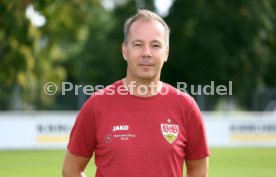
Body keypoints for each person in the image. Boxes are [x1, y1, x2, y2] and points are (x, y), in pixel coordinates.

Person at [62, 9, 210, 177]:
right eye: (138, 44)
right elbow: (71, 170)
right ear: (125, 51)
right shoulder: (97, 105)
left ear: (166, 53)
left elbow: (199, 171)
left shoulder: (186, 106)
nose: (146, 53)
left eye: (155, 45)